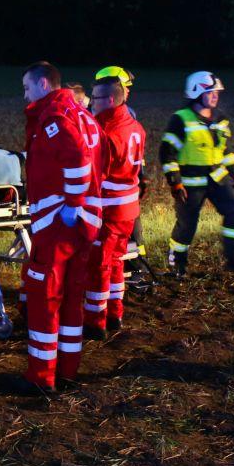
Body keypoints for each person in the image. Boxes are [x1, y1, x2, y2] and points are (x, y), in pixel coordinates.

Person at [19, 61, 103, 395]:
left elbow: (78, 158)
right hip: (84, 223)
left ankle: (41, 377)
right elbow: (100, 159)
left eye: (26, 88)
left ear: (43, 84)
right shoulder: (85, 115)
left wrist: (72, 201)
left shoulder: (55, 116)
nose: (24, 95)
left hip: (59, 223)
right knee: (71, 299)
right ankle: (68, 371)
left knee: (45, 298)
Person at [159, 71, 234, 276]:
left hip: (216, 178)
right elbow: (167, 153)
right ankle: (177, 266)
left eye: (216, 92)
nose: (215, 96)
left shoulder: (220, 118)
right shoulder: (180, 119)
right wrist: (175, 182)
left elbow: (223, 149)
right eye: (210, 92)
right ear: (196, 92)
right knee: (187, 225)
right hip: (190, 183)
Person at [84, 78, 146, 338]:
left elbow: (95, 173)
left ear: (110, 100)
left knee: (98, 265)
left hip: (109, 210)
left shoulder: (105, 131)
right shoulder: (135, 126)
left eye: (95, 98)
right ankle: (115, 313)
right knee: (117, 261)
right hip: (128, 210)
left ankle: (95, 322)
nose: (90, 103)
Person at [93, 65, 150, 284]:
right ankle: (133, 273)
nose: (128, 91)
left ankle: (135, 270)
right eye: (125, 86)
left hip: (111, 203)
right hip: (126, 197)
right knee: (120, 250)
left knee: (105, 260)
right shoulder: (127, 117)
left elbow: (101, 165)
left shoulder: (108, 123)